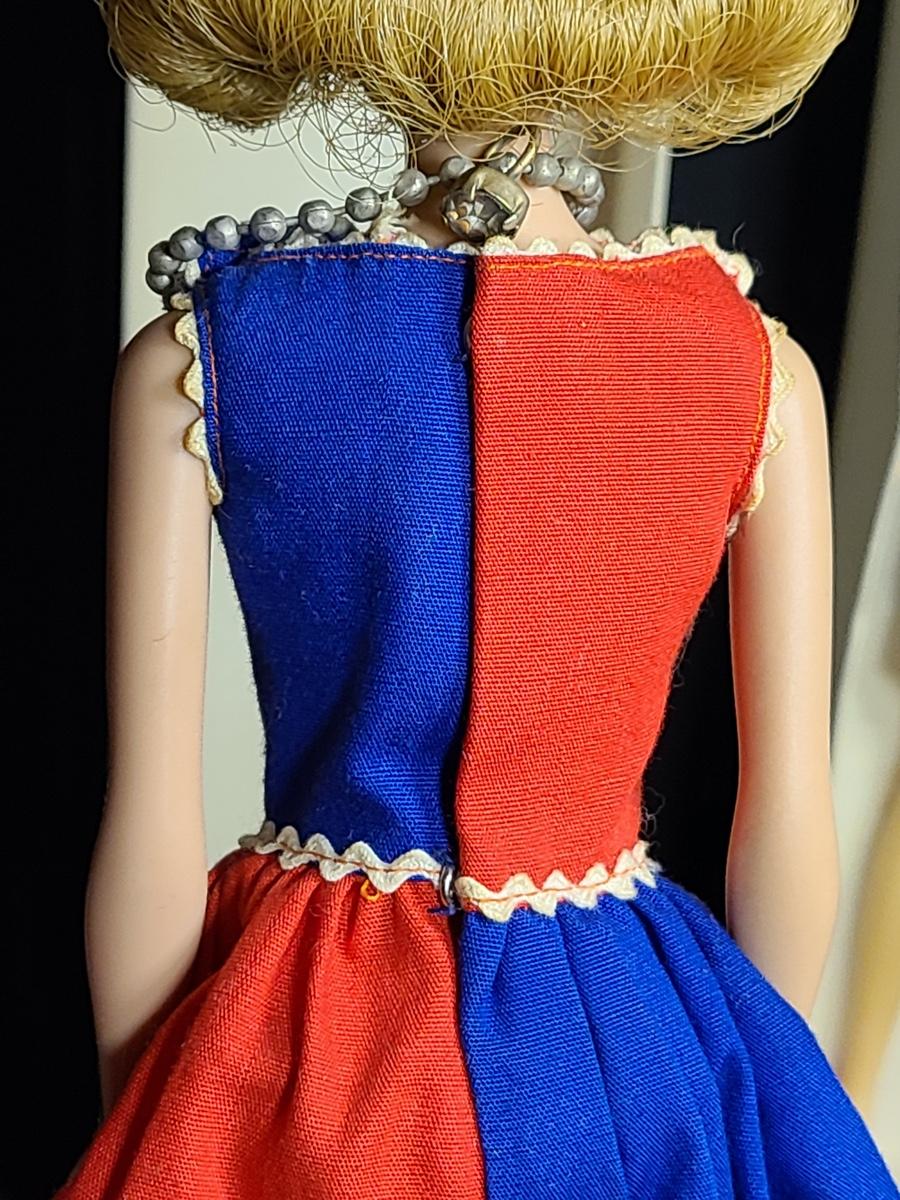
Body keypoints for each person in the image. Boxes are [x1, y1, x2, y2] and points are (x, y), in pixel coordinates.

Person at [61, 1, 897, 1196]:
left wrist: (141, 1119)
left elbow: (149, 820)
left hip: (313, 1024)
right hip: (624, 1038)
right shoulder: (754, 364)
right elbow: (789, 814)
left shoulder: (209, 349)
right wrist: (770, 1089)